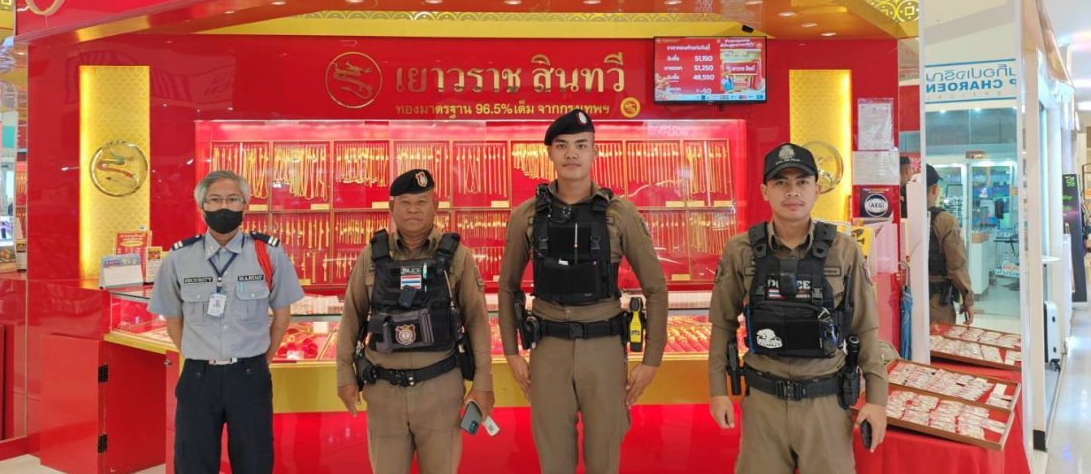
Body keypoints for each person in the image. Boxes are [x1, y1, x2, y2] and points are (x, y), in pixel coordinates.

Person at [498, 109, 669, 474]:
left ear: (594, 151)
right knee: (554, 461)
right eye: (562, 146)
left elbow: (656, 287)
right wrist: (512, 353)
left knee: (604, 459)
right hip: (548, 350)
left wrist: (651, 359)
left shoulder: (620, 214)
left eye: (581, 145)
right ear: (550, 152)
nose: (571, 154)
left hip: (604, 351)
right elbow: (508, 286)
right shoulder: (526, 215)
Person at [708, 143, 887, 474]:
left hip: (826, 404)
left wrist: (877, 400)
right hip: (763, 404)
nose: (792, 191)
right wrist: (718, 391)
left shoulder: (844, 249)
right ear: (765, 191)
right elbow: (722, 324)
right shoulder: (740, 250)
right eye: (781, 182)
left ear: (817, 189)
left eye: (802, 182)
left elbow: (864, 327)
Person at [335, 169, 493, 474]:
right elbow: (352, 316)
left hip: (439, 391)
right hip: (384, 393)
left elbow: (477, 321)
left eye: (421, 202)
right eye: (405, 202)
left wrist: (483, 383)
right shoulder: (371, 256)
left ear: (435, 205)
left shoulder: (457, 256)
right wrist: (344, 374)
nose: (413, 210)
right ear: (391, 207)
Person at [148, 170, 304, 473]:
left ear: (245, 205)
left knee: (254, 460)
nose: (223, 207)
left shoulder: (267, 253)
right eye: (215, 200)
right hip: (198, 377)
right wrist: (196, 354)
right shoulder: (179, 257)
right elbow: (173, 319)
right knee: (192, 461)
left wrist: (261, 361)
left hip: (249, 376)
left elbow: (282, 316)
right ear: (202, 207)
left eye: (232, 199)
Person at [926, 164, 975, 324]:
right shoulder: (946, 221)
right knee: (937, 339)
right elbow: (957, 265)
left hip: (900, 302)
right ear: (935, 190)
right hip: (935, 303)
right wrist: (967, 300)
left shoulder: (898, 218)